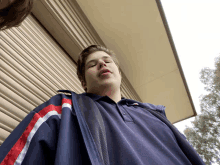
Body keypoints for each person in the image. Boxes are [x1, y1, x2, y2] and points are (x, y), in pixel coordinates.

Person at [0, 45, 205, 165]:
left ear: (119, 72)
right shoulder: (62, 110)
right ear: (83, 83)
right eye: (92, 64)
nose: (102, 64)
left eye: (107, 60)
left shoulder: (156, 116)